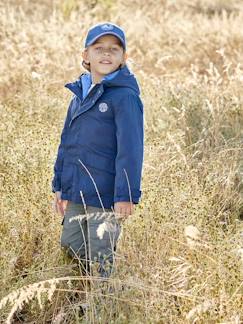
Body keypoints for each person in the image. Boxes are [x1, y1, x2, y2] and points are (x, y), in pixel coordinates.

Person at [51, 22, 144, 277]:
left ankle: (105, 305)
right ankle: (80, 301)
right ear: (86, 56)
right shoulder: (79, 93)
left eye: (114, 49)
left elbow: (131, 149)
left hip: (105, 195)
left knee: (101, 254)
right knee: (70, 246)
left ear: (123, 57)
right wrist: (60, 185)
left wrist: (125, 194)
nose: (106, 54)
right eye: (99, 47)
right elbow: (67, 142)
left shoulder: (124, 97)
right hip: (76, 191)